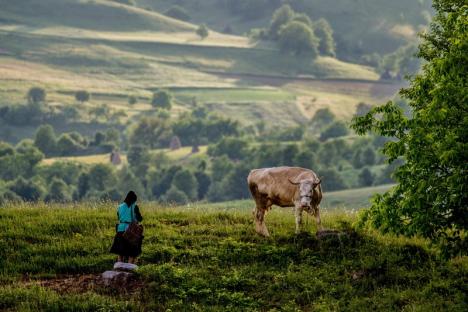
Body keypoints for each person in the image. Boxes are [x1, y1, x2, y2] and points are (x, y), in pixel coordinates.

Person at [110, 191, 143, 264]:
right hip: (130, 231)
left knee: (120, 251)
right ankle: (129, 267)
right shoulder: (135, 206)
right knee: (132, 251)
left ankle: (119, 267)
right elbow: (140, 218)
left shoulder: (120, 206)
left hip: (120, 230)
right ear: (134, 199)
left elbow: (119, 217)